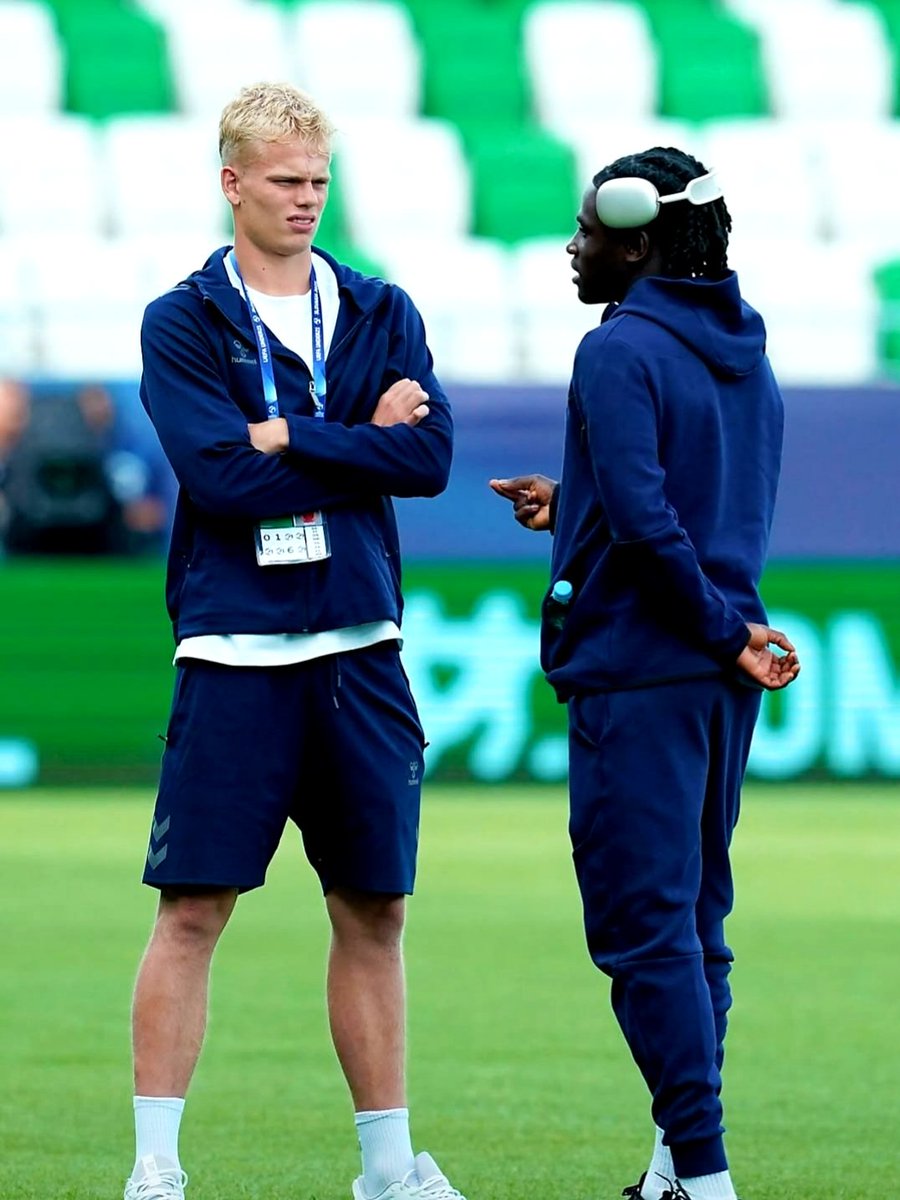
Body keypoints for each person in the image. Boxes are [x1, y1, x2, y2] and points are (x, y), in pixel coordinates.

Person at [125, 82, 463, 1200]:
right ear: (233, 183)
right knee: (193, 910)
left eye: (319, 181)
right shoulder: (182, 319)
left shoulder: (377, 307)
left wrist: (292, 431)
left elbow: (428, 461)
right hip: (234, 650)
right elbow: (218, 479)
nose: (307, 200)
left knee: (375, 907)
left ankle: (385, 1170)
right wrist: (354, 437)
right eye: (285, 182)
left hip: (359, 645)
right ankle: (157, 1169)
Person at [490, 147, 800, 1200]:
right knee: (695, 922)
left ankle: (705, 1180)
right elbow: (674, 499)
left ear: (638, 235)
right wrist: (569, 500)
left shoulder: (616, 349)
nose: (574, 248)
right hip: (714, 675)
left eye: (589, 231)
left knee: (642, 930)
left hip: (644, 672)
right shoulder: (746, 347)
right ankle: (676, 1169)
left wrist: (714, 630)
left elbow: (649, 519)